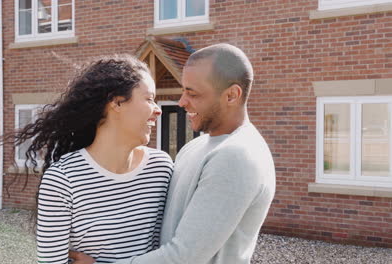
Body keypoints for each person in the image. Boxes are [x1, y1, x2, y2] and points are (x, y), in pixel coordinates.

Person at [70, 43, 276, 264]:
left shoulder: (237, 156)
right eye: (183, 90)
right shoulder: (196, 146)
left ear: (231, 95)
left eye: (192, 93)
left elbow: (185, 257)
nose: (182, 102)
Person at [14, 55, 173, 264]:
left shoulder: (161, 168)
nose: (158, 110)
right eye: (149, 98)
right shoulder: (62, 180)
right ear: (117, 102)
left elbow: (170, 253)